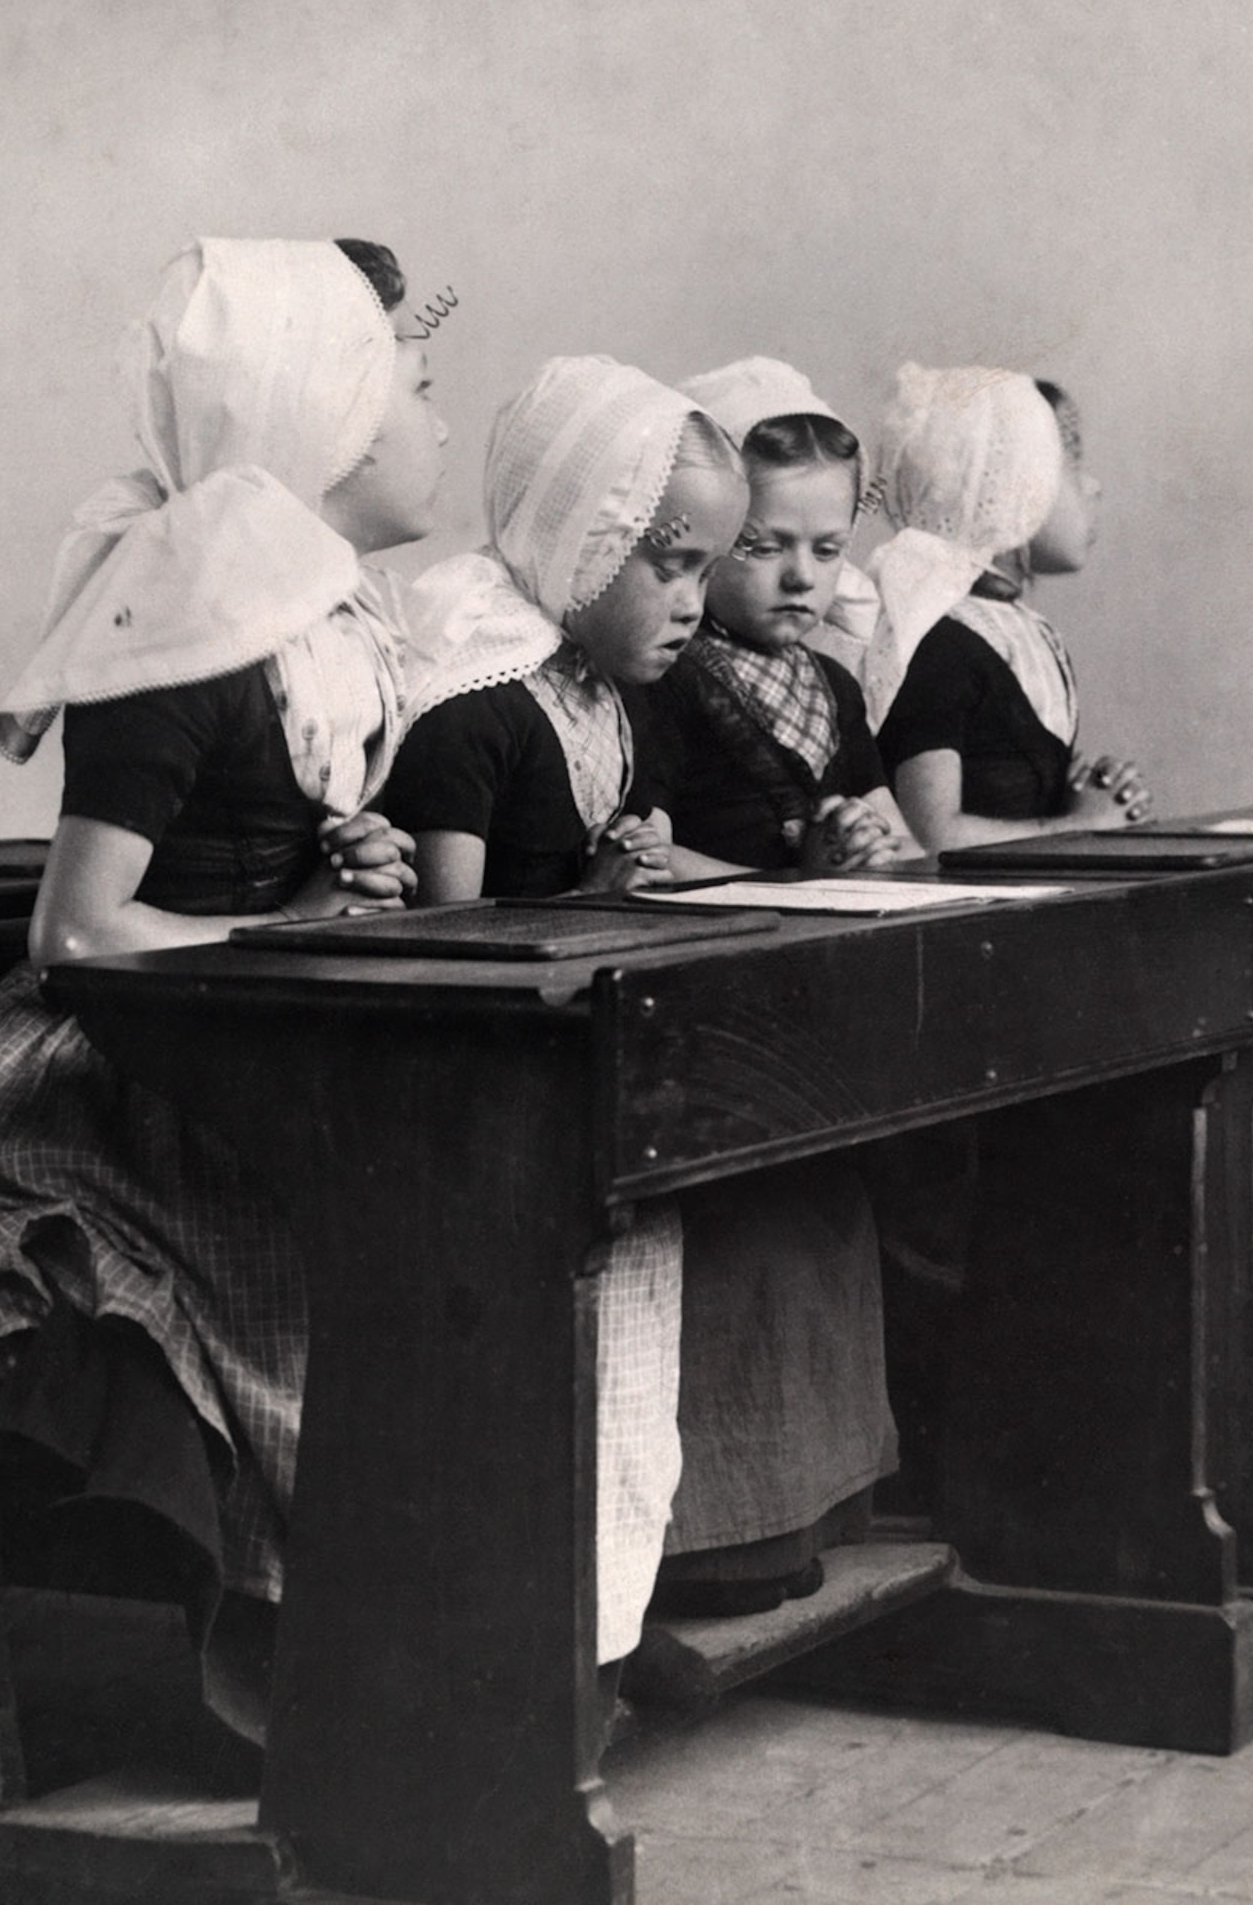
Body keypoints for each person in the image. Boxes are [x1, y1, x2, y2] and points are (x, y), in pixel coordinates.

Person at [0, 241, 677, 1740]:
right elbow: (81, 935)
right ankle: (348, 1661)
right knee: (341, 1266)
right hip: (87, 1066)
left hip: (240, 1028)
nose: (434, 427)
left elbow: (253, 886)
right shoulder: (176, 630)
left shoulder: (314, 618)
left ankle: (469, 1641)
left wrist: (324, 883)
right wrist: (287, 918)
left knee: (462, 1226)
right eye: (411, 396)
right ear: (328, 427)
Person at [388, 351, 895, 1619]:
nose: (691, 598)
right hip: (502, 1070)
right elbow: (458, 937)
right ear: (581, 540)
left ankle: (728, 1538)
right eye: (670, 564)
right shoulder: (475, 707)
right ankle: (645, 1575)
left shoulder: (608, 700)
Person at [631, 358, 911, 876]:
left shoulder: (834, 687)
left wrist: (871, 846)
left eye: (827, 550)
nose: (801, 576)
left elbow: (906, 844)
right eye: (762, 547)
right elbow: (649, 857)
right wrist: (802, 877)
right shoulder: (666, 676)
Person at [865, 364, 1147, 849]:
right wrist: (1081, 825)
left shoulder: (1023, 631)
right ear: (1009, 485)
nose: (1093, 486)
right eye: (1071, 461)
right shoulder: (939, 643)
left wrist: (1090, 791)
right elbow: (929, 837)